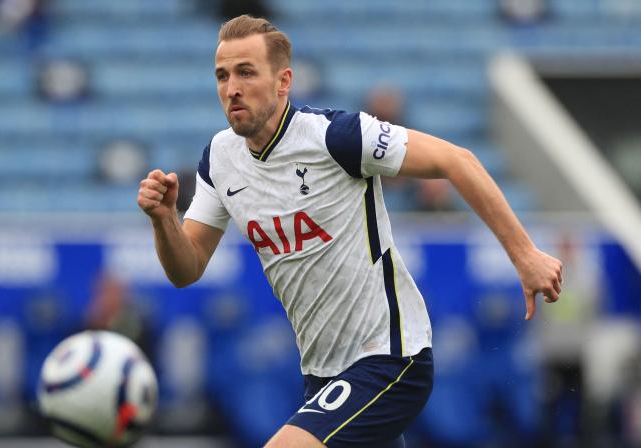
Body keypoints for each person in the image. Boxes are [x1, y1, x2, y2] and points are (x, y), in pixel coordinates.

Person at [136, 15, 563, 448]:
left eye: (246, 72)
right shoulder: (219, 158)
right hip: (321, 374)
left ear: (284, 81)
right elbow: (186, 268)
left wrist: (524, 254)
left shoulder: (336, 137)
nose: (232, 88)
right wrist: (165, 219)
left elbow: (458, 161)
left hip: (391, 357)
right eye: (222, 75)